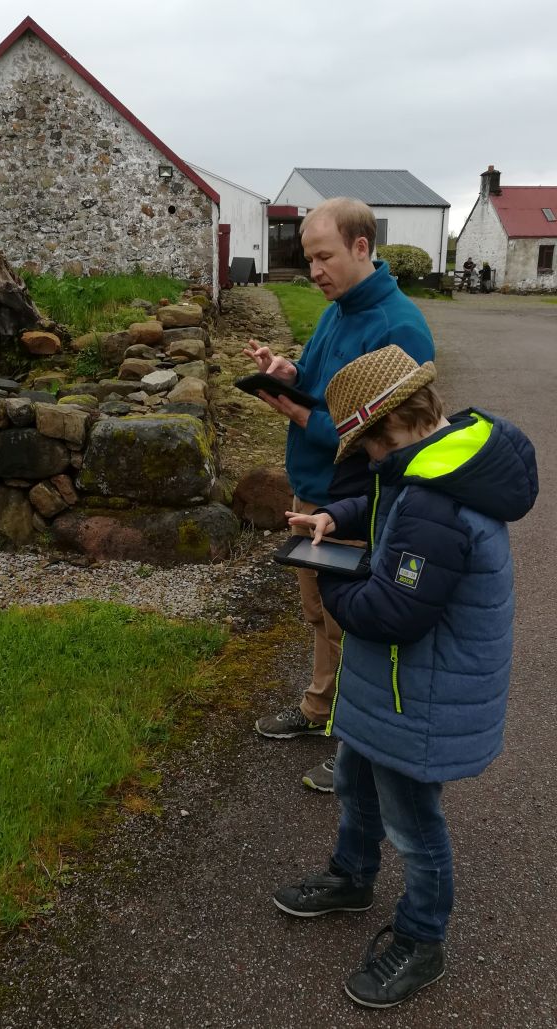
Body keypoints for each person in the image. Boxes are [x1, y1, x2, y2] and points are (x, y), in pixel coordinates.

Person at [273, 345, 538, 1008]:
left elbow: (390, 613)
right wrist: (339, 519)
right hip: (390, 689)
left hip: (416, 698)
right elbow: (388, 502)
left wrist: (326, 569)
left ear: (388, 432)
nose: (368, 466)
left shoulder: (436, 505)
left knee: (414, 824)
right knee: (357, 783)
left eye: (366, 452)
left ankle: (423, 937)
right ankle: (352, 875)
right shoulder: (435, 467)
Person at [243, 197, 434, 793]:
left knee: (351, 625)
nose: (315, 271)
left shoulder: (398, 326)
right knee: (316, 614)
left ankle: (356, 744)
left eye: (324, 257)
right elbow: (322, 379)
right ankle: (317, 709)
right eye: (308, 259)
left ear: (361, 246)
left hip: (353, 498)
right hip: (311, 490)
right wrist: (288, 373)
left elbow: (392, 434)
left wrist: (300, 417)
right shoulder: (337, 308)